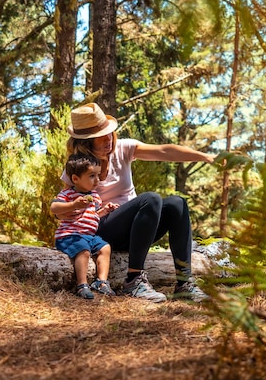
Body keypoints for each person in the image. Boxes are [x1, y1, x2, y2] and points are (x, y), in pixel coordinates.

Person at [51, 102, 215, 303]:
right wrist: (77, 209)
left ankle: (184, 284)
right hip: (101, 230)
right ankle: (134, 280)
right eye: (101, 137)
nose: (108, 139)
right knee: (151, 199)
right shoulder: (79, 166)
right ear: (87, 142)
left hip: (139, 230)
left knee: (177, 204)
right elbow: (61, 208)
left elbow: (164, 151)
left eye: (109, 133)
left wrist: (205, 157)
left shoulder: (123, 148)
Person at [51, 153, 119, 299]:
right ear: (75, 179)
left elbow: (93, 215)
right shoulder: (68, 194)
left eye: (98, 175)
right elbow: (54, 208)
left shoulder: (94, 196)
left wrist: (105, 210)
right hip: (70, 235)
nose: (97, 180)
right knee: (84, 251)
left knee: (105, 247)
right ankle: (82, 285)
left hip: (89, 236)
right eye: (92, 176)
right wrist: (73, 205)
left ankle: (101, 282)